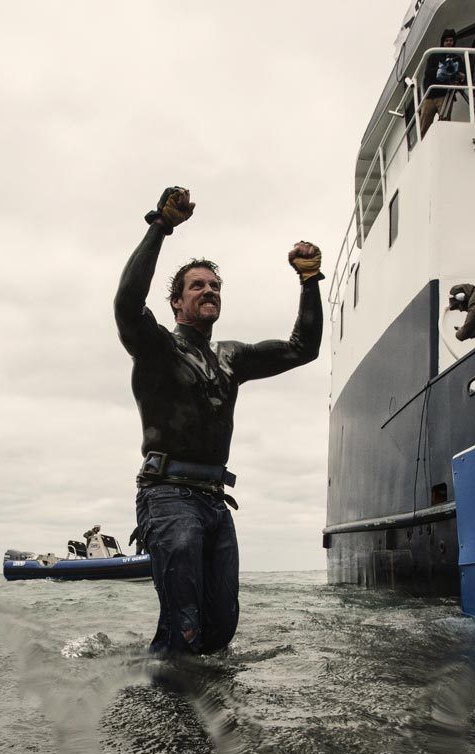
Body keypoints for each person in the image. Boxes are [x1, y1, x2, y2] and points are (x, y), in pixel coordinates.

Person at [113, 187, 322, 659]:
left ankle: (200, 716)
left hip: (214, 503)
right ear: (176, 304)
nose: (209, 291)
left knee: (220, 630)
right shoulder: (157, 347)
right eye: (197, 286)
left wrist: (310, 281)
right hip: (167, 497)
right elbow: (126, 304)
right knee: (184, 628)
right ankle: (162, 720)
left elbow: (301, 349)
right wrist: (160, 227)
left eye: (215, 286)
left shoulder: (230, 358)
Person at [419, 28, 465, 137]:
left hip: (445, 95)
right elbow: (428, 73)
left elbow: (462, 76)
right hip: (430, 95)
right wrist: (442, 69)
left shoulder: (457, 58)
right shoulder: (434, 55)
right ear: (443, 42)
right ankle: (424, 143)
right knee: (424, 123)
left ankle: (445, 139)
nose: (449, 43)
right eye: (446, 41)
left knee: (445, 122)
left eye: (451, 41)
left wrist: (458, 75)